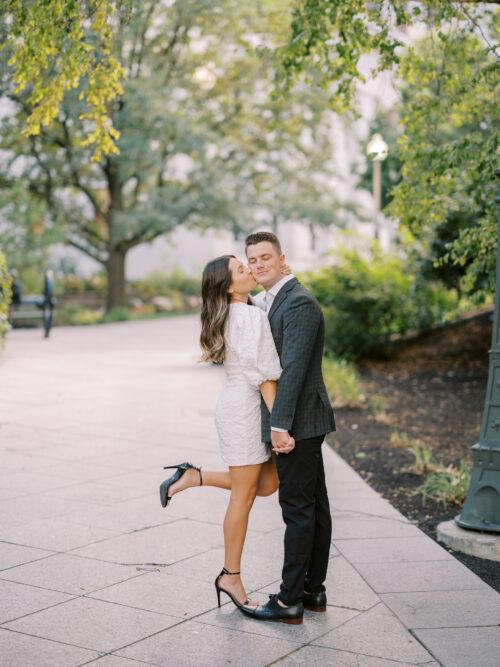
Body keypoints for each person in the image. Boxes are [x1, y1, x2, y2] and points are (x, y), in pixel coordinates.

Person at [159, 255, 295, 611]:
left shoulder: (242, 311)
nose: (250, 269)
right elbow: (264, 375)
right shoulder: (248, 316)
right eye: (241, 269)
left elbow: (265, 302)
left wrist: (280, 275)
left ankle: (195, 476)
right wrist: (280, 425)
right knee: (245, 495)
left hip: (236, 405)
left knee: (265, 484)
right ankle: (230, 574)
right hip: (246, 411)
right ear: (229, 287)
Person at [240, 231, 336, 625]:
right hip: (303, 420)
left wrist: (279, 425)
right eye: (253, 260)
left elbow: (293, 369)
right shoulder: (275, 299)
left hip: (297, 423)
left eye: (266, 258)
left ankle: (288, 600)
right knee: (314, 507)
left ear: (282, 259)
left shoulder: (298, 303)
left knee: (298, 511)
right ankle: (313, 590)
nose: (259, 265)